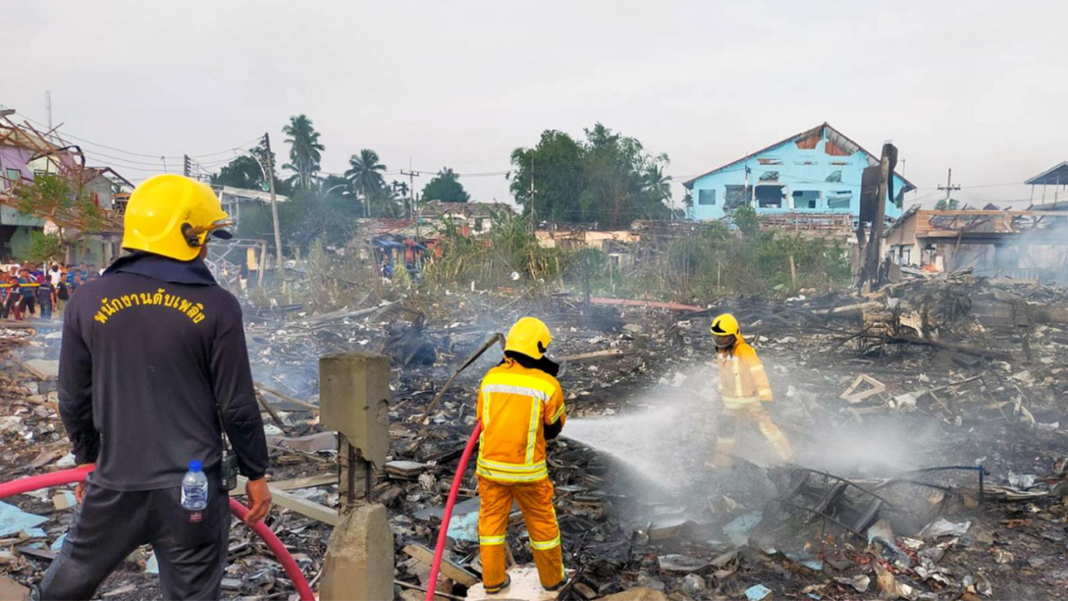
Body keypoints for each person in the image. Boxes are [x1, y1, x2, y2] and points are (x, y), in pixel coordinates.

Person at [40, 174, 272, 600]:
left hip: (113, 482)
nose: (206, 248)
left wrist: (87, 458)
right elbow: (235, 404)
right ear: (186, 236)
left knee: (61, 590)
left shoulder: (88, 300)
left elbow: (73, 397)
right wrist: (256, 471)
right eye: (205, 237)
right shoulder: (218, 306)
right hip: (193, 493)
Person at [476, 317, 567, 594]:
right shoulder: (547, 385)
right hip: (528, 474)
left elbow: (481, 418)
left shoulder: (490, 379)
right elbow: (554, 428)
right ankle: (552, 579)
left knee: (491, 526)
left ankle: (493, 582)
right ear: (538, 348)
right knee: (542, 526)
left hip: (490, 470)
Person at [709, 313, 792, 467]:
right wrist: (721, 389)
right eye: (718, 338)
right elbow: (723, 374)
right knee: (726, 430)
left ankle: (786, 459)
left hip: (751, 399)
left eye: (724, 338)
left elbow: (758, 373)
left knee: (765, 428)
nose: (721, 342)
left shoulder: (745, 351)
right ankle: (722, 461)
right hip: (731, 401)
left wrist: (766, 396)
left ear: (734, 335)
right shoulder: (721, 353)